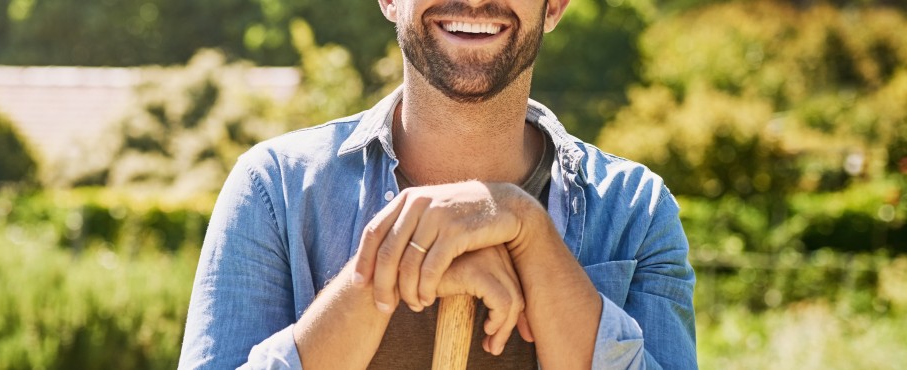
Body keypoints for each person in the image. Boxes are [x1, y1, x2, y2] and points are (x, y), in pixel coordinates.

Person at [179, 0, 696, 368]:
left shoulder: (637, 212)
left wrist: (525, 227)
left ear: (556, 4)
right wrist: (380, 276)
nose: (473, 0)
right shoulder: (276, 189)